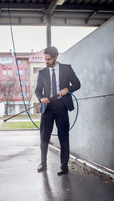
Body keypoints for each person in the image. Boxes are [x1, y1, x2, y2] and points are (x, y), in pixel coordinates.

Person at [35, 46, 81, 175]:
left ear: (56, 57)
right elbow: (37, 90)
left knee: (63, 137)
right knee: (44, 137)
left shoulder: (67, 69)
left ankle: (63, 166)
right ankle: (43, 163)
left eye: (49, 59)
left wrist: (68, 89)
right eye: (45, 59)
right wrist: (41, 98)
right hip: (47, 108)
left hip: (62, 107)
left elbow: (77, 83)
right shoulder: (42, 72)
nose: (46, 61)